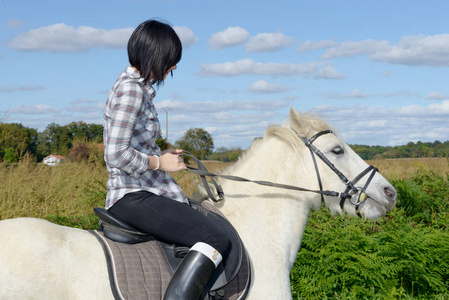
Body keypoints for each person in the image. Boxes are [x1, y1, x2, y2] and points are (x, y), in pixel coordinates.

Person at [103, 19, 231, 300]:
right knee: (216, 239)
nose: (173, 68)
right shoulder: (132, 91)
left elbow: (131, 146)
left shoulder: (139, 90)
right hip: (133, 195)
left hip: (145, 189)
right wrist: (160, 164)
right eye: (171, 61)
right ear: (155, 56)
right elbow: (114, 153)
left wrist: (159, 155)